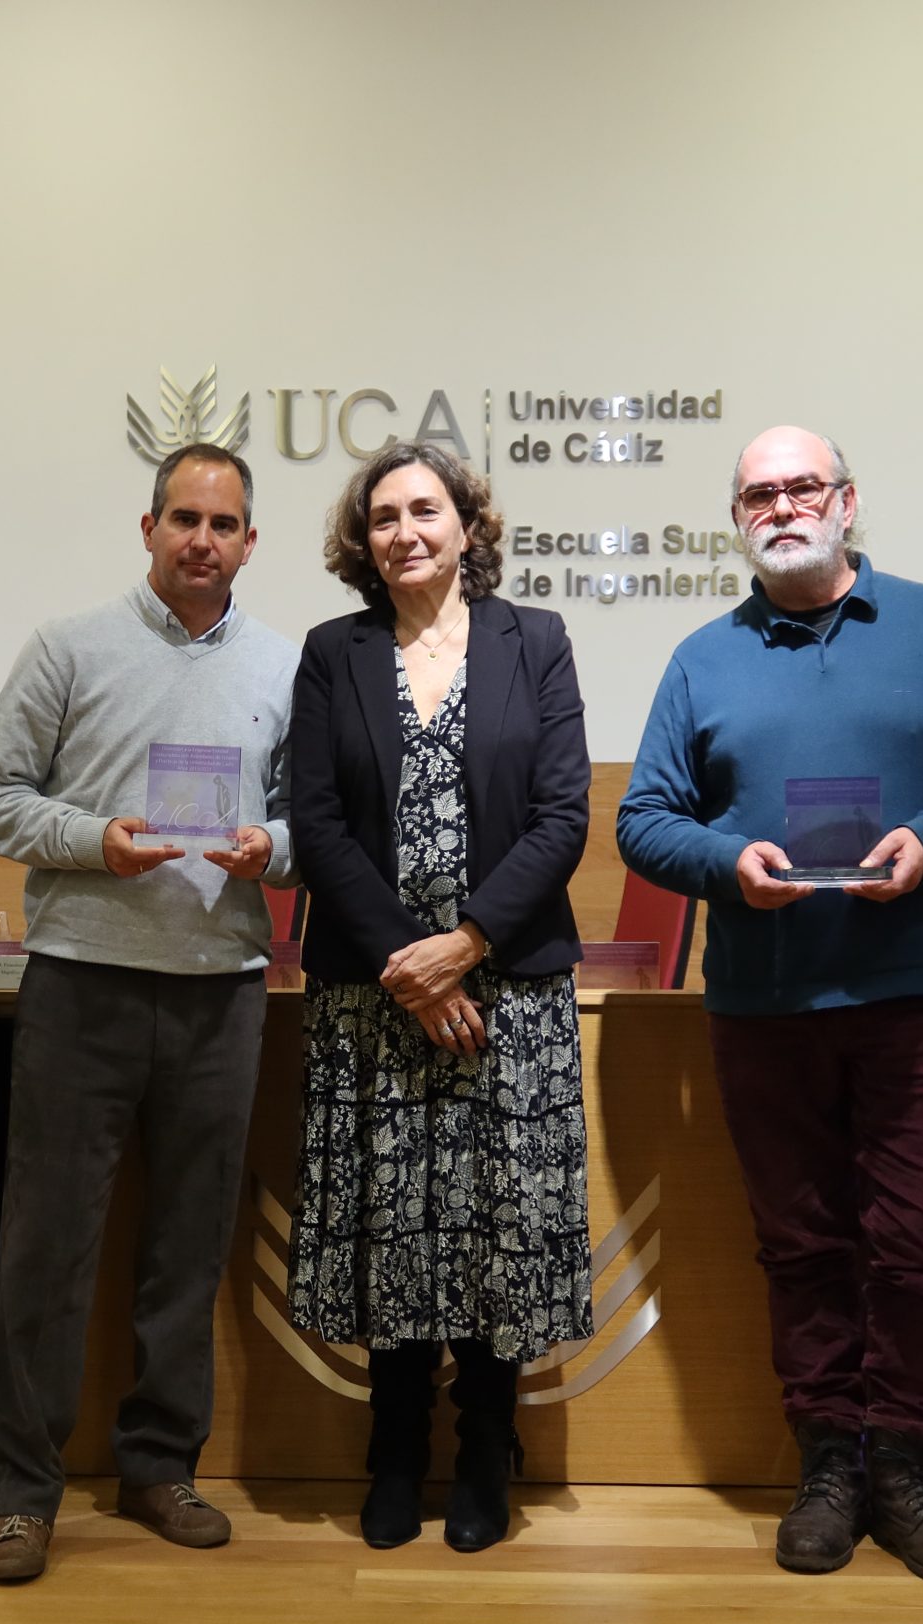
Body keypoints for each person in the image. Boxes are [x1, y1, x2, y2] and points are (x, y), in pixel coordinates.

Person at [616, 426, 923, 1587]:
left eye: (802, 487)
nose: (781, 507)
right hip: (767, 1005)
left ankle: (905, 1471)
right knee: (802, 1246)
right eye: (758, 494)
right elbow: (644, 819)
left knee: (922, 1244)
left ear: (847, 502)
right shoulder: (703, 658)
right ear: (737, 517)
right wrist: (727, 863)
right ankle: (826, 1470)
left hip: (919, 998)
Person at [0, 443, 297, 1585]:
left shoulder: (284, 666)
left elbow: (312, 820)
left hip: (221, 990)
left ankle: (161, 1467)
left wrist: (271, 846)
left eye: (224, 523)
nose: (203, 539)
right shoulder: (68, 647)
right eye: (184, 519)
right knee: (46, 1247)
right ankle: (22, 1496)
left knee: (187, 1249)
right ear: (147, 528)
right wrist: (90, 840)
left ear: (250, 542)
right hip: (81, 984)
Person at [285, 442, 594, 1554]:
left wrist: (462, 946)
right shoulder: (334, 652)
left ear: (468, 525)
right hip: (374, 999)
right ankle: (395, 1450)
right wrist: (408, 969)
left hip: (506, 993)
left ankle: (485, 1451)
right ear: (361, 542)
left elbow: (563, 815)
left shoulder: (535, 641)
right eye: (383, 517)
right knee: (394, 1224)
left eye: (425, 510)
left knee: (496, 1226)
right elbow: (316, 821)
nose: (405, 532)